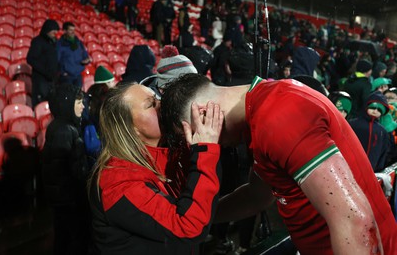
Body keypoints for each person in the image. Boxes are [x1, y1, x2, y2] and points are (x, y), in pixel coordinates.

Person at [160, 73, 397, 255]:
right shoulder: (262, 110)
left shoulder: (279, 117)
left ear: (202, 116)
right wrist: (198, 217)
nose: (195, 143)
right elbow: (257, 196)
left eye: (190, 135)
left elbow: (355, 221)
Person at [88, 82, 223, 254]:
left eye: (157, 98)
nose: (162, 104)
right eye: (151, 104)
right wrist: (206, 151)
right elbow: (187, 225)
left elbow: (201, 205)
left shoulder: (171, 151)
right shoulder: (115, 182)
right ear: (131, 128)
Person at [42, 84, 91, 255]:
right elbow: (62, 170)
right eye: (78, 102)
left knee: (65, 239)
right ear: (67, 105)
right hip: (69, 199)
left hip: (66, 198)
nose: (83, 106)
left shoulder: (62, 127)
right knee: (71, 240)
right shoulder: (64, 130)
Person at [349, 91, 390, 172]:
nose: (375, 111)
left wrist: (379, 169)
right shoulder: (353, 124)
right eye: (373, 108)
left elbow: (384, 152)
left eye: (379, 110)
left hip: (371, 171)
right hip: (350, 166)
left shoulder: (382, 131)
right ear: (366, 106)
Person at [26, 19, 60, 106]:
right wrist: (45, 71)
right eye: (53, 31)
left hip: (52, 79)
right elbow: (30, 59)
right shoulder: (38, 41)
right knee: (40, 104)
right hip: (40, 80)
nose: (55, 33)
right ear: (47, 30)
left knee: (51, 104)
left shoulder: (54, 42)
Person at [57, 22, 91, 87]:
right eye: (70, 30)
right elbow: (57, 59)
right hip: (66, 76)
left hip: (78, 75)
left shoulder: (78, 42)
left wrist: (87, 60)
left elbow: (85, 54)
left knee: (78, 95)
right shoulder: (60, 44)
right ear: (64, 31)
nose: (73, 32)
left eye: (74, 30)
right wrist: (62, 72)